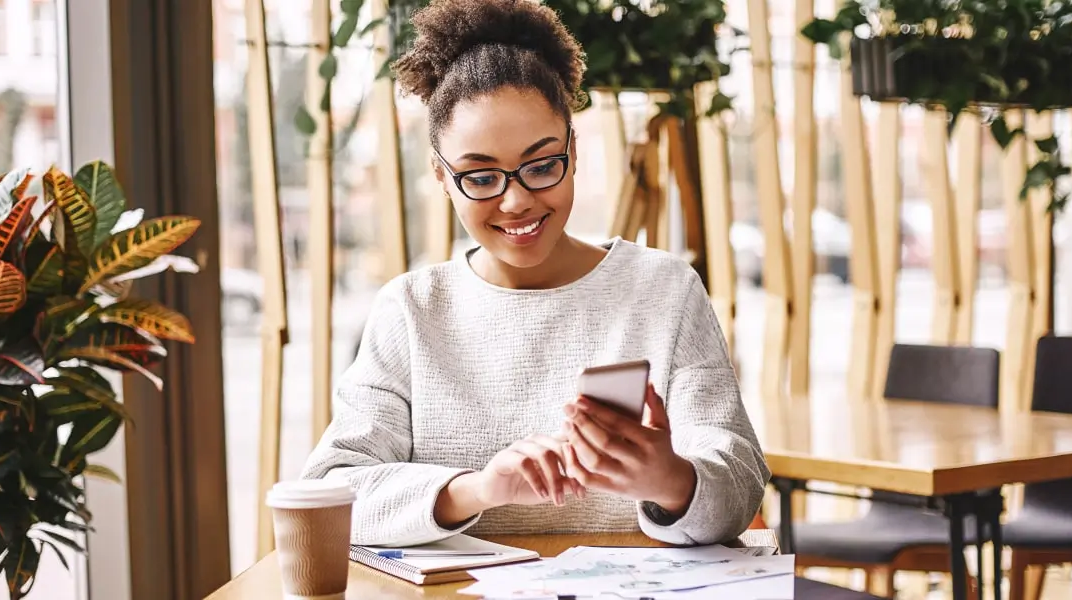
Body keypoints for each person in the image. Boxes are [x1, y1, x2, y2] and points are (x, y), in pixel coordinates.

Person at [301, 0, 770, 548]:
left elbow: (740, 483)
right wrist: (477, 490)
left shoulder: (663, 290)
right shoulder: (411, 309)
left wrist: (672, 481)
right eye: (479, 177)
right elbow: (331, 493)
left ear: (573, 150)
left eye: (543, 165)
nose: (516, 201)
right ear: (440, 175)